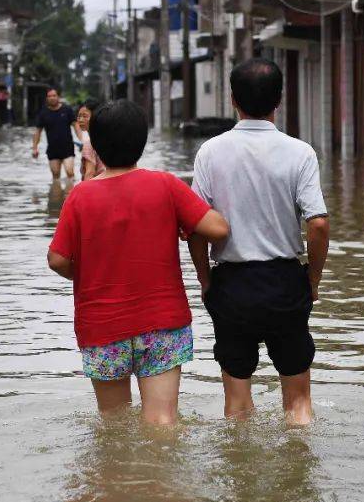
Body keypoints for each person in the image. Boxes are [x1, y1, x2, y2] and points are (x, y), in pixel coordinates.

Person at [47, 100, 230, 425]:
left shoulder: (80, 196)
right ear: (142, 142)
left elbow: (57, 259)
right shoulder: (166, 185)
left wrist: (86, 274)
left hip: (102, 326)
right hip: (162, 323)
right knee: (162, 423)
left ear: (96, 144)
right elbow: (217, 229)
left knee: (113, 424)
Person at [187, 58, 330, 426]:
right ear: (279, 99)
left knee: (236, 406)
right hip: (285, 282)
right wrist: (311, 280)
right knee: (298, 401)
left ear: (232, 99)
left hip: (232, 285)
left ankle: (240, 476)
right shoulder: (300, 152)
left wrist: (206, 281)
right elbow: (318, 225)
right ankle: (299, 471)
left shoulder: (210, 152)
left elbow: (195, 228)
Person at [32, 88, 79, 179]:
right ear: (47, 98)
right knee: (56, 175)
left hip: (67, 148)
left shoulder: (67, 110)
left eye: (54, 95)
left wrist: (83, 140)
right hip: (52, 149)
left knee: (70, 173)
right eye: (49, 96)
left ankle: (70, 192)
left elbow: (76, 126)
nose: (52, 98)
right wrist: (34, 148)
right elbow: (38, 132)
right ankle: (56, 192)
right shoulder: (43, 113)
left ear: (58, 97)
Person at [76, 99, 101, 181]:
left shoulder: (89, 144)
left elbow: (89, 174)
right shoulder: (106, 138)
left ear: (95, 117)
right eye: (79, 116)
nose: (80, 120)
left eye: (85, 116)